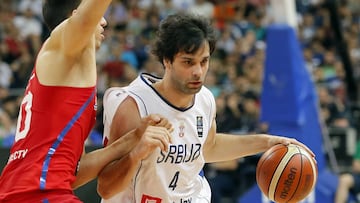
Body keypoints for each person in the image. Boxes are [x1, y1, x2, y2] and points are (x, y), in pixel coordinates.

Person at [97, 13, 315, 203]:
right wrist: (136, 153)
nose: (198, 72)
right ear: (167, 60)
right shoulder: (134, 106)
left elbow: (208, 147)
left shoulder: (205, 99)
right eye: (188, 62)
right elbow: (106, 188)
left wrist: (267, 142)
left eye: (204, 62)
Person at [0, 0, 172, 202]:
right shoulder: (62, 46)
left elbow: (75, 173)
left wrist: (133, 139)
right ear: (77, 15)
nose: (104, 21)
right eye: (99, 15)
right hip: (37, 193)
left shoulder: (66, 70)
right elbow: (83, 20)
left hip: (30, 191)